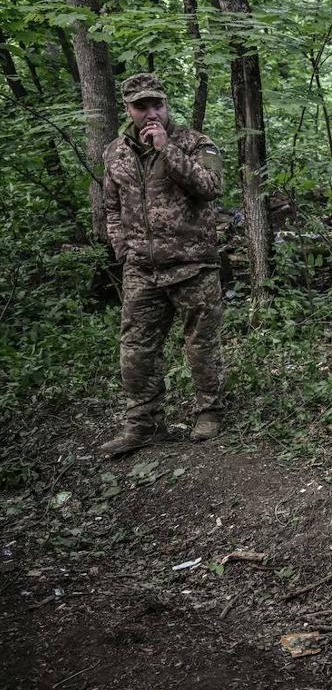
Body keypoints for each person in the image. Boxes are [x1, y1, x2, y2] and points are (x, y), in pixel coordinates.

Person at [99, 73, 227, 456]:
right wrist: (123, 248)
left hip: (193, 265)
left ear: (167, 104)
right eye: (141, 106)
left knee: (201, 346)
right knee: (136, 349)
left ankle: (209, 411)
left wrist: (167, 149)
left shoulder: (195, 143)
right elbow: (111, 206)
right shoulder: (115, 153)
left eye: (157, 104)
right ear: (128, 110)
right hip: (142, 269)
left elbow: (211, 187)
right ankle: (143, 424)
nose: (151, 112)